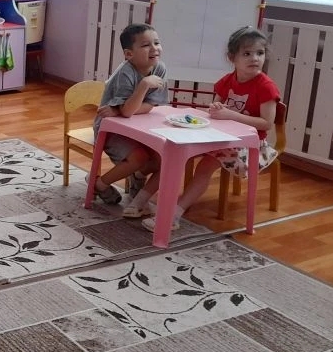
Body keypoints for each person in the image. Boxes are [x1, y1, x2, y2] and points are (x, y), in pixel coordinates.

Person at [143, 26, 280, 232]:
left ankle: (173, 214)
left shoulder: (266, 86)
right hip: (222, 137)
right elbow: (216, 108)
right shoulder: (227, 81)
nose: (254, 58)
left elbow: (266, 124)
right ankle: (143, 199)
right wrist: (216, 109)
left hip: (250, 146)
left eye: (259, 53)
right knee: (177, 152)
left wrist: (231, 115)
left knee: (205, 166)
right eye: (247, 53)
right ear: (232, 58)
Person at [93, 23, 168, 218]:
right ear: (129, 54)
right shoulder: (126, 72)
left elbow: (148, 106)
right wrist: (144, 85)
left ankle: (138, 178)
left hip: (138, 125)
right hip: (110, 128)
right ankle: (99, 184)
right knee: (139, 157)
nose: (154, 49)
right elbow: (127, 112)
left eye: (156, 42)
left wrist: (123, 110)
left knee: (162, 159)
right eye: (145, 45)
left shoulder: (159, 68)